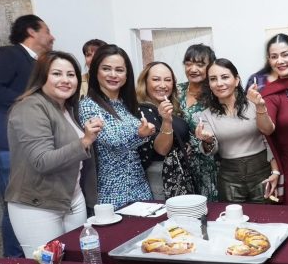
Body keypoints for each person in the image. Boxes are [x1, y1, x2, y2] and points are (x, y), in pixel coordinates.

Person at [5, 51, 100, 256]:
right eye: (57, 74)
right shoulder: (29, 107)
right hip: (38, 205)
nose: (65, 80)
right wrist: (84, 141)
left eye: (71, 74)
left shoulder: (66, 107)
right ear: (42, 77)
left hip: (72, 199)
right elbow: (42, 161)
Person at [0, 14, 54, 257]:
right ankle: (14, 261)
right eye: (47, 30)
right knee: (15, 202)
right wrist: (30, 104)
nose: (52, 37)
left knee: (27, 201)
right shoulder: (8, 54)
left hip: (29, 142)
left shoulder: (39, 63)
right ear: (31, 31)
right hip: (5, 141)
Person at [78, 44, 156, 209]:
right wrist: (140, 135)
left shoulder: (126, 104)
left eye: (119, 70)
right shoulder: (88, 106)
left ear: (127, 75)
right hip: (110, 195)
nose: (113, 75)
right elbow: (114, 144)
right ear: (95, 71)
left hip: (140, 189)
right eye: (106, 69)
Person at [194, 58, 279, 203]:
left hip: (261, 172)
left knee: (265, 219)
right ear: (209, 84)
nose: (219, 83)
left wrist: (275, 171)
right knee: (232, 223)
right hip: (229, 177)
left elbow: (268, 135)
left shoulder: (254, 103)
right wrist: (207, 140)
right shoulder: (205, 115)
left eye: (225, 77)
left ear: (237, 80)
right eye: (213, 79)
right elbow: (212, 149)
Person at [246, 34, 288, 205]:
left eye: (285, 54)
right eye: (274, 57)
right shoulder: (270, 93)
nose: (280, 61)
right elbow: (267, 129)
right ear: (269, 60)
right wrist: (260, 107)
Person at [136, 61, 195, 199]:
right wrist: (166, 121)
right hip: (161, 178)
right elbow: (161, 149)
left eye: (168, 80)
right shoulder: (141, 111)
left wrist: (184, 146)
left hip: (181, 174)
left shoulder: (172, 106)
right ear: (145, 82)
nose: (163, 85)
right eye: (156, 79)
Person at [177, 44, 219, 201]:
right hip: (182, 166)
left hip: (210, 164)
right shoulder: (176, 91)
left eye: (200, 65)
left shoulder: (216, 94)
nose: (193, 69)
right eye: (188, 64)